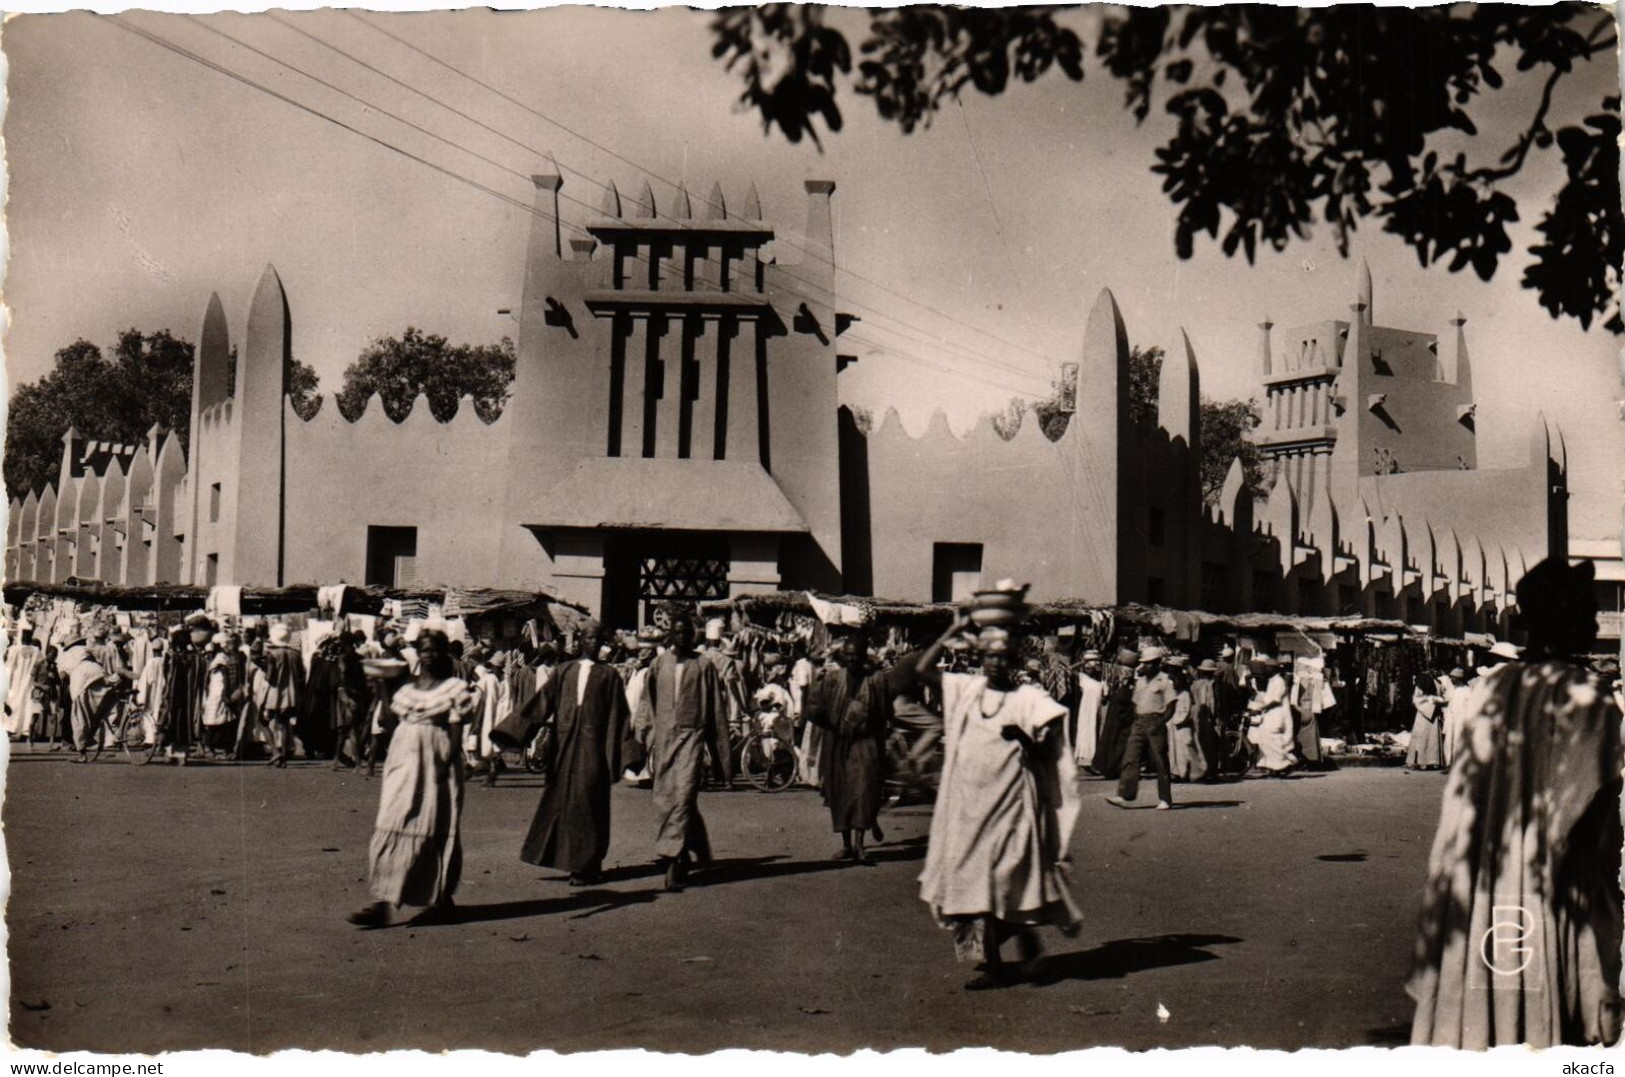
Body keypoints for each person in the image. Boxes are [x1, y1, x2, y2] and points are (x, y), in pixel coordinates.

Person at [1409, 557, 1622, 1047]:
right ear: (1566, 620)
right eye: (1588, 616)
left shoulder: (1492, 689)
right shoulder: (1587, 695)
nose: (1594, 626)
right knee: (1555, 1027)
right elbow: (1590, 816)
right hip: (1555, 894)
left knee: (1489, 1014)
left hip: (1483, 889)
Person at [914, 613, 1081, 990]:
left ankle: (1021, 954)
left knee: (1007, 880)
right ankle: (1001, 962)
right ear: (981, 658)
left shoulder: (1028, 697)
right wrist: (953, 629)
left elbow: (1048, 746)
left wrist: (1023, 734)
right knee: (975, 885)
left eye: (1004, 657)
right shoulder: (965, 688)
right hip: (969, 807)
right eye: (990, 656)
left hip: (1011, 806)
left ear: (1014, 661)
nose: (996, 662)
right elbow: (923, 670)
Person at [349, 628, 477, 929]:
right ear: (417, 654)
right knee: (393, 820)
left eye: (433, 650)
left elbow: (457, 731)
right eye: (423, 650)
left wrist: (446, 763)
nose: (428, 655)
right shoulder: (406, 690)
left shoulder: (455, 689)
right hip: (403, 761)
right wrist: (382, 689)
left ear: (443, 653)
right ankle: (383, 902)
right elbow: (394, 725)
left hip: (436, 762)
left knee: (434, 825)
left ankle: (441, 900)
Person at [518, 623, 630, 886]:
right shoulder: (564, 671)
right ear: (580, 641)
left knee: (589, 802)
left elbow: (619, 716)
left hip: (593, 749)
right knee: (564, 804)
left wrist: (620, 754)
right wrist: (516, 730)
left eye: (598, 639)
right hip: (564, 748)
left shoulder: (609, 675)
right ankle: (573, 862)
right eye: (589, 638)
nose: (593, 643)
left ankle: (588, 865)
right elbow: (542, 702)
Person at [633, 611, 732, 892]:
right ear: (671, 635)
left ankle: (673, 860)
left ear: (694, 635)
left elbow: (716, 710)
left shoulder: (704, 666)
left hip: (692, 738)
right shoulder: (659, 664)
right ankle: (688, 848)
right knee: (665, 798)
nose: (682, 637)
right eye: (677, 633)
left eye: (687, 633)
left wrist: (723, 758)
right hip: (664, 740)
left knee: (684, 796)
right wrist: (640, 734)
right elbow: (645, 702)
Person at [801, 627, 912, 864]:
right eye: (848, 655)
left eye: (855, 655)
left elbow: (885, 711)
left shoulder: (876, 680)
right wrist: (830, 721)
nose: (851, 659)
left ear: (863, 656)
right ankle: (846, 845)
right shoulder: (832, 679)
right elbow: (813, 707)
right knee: (839, 790)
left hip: (866, 742)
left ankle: (861, 846)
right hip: (837, 742)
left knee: (864, 790)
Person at [1105, 645, 1178, 809]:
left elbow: (1171, 707)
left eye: (1149, 663)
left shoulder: (1165, 681)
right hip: (1139, 722)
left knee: (1160, 761)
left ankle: (1165, 798)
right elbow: (1135, 703)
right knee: (1130, 758)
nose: (1144, 666)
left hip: (1155, 721)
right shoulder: (1140, 681)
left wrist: (1159, 724)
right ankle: (1125, 795)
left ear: (1157, 663)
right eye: (1144, 663)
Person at [57, 635, 115, 762]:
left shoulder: (64, 656)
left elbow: (62, 676)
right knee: (98, 705)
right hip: (97, 671)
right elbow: (98, 662)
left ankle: (82, 753)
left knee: (78, 716)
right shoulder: (86, 649)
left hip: (80, 678)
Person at [1089, 648, 1139, 779]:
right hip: (1119, 713)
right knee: (1116, 742)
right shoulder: (1127, 682)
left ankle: (1111, 767)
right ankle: (1112, 767)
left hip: (1119, 713)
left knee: (1114, 741)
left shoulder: (1124, 682)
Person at [1245, 656, 1296, 775]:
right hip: (1271, 715)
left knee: (1274, 740)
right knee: (1266, 740)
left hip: (1278, 715)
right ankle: (1274, 767)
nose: (1266, 669)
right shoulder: (1272, 681)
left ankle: (1285, 763)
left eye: (1268, 667)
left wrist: (1260, 708)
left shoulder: (1279, 682)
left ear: (1273, 669)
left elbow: (1275, 700)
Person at [1164, 654, 1204, 781]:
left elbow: (1185, 704)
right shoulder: (1171, 678)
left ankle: (1185, 772)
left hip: (1180, 715)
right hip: (1173, 716)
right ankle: (1176, 771)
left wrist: (1178, 719)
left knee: (1183, 748)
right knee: (1173, 748)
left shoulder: (1182, 682)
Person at [4, 630, 44, 740]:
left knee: (15, 704)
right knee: (26, 705)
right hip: (29, 681)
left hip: (17, 680)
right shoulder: (36, 651)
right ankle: (24, 730)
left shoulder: (15, 649)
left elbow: (10, 667)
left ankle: (13, 729)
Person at [1190, 659, 1223, 782]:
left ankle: (1200, 770)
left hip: (1196, 716)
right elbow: (1211, 703)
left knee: (1199, 744)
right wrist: (1215, 717)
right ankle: (1210, 771)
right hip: (1206, 717)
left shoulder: (1194, 684)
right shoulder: (1210, 685)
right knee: (1210, 745)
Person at [1073, 650, 1105, 772]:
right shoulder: (1083, 679)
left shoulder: (1101, 683)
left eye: (1093, 668)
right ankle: (1085, 759)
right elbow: (1068, 670)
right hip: (1086, 711)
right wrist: (1082, 662)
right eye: (1088, 668)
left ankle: (1093, 760)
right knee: (1085, 732)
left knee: (1094, 733)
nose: (1091, 670)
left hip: (1096, 711)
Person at [1405, 673, 1444, 771]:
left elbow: (1416, 699)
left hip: (1424, 714)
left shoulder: (1421, 684)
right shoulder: (1438, 683)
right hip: (1433, 714)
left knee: (1421, 738)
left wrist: (1427, 705)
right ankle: (1433, 761)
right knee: (1432, 739)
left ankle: (1422, 762)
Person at [1438, 667, 1471, 766]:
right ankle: (1449, 763)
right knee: (1448, 742)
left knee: (1458, 742)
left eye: (1452, 678)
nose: (1451, 680)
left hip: (1461, 720)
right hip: (1450, 719)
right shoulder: (1453, 690)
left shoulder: (1467, 691)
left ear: (1457, 678)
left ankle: (1458, 765)